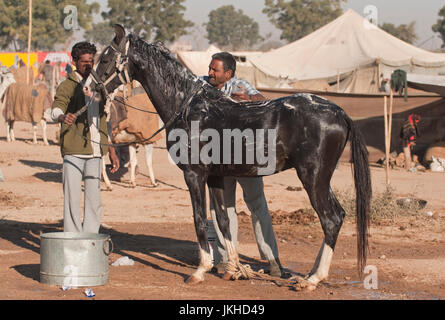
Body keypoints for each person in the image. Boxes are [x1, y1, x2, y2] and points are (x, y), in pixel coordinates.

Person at [201, 52, 283, 277]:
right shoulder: (203, 86)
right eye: (209, 68)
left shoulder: (239, 85)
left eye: (214, 70)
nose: (209, 73)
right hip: (218, 159)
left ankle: (272, 261)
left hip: (245, 158)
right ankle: (225, 260)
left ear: (227, 74)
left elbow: (263, 101)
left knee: (257, 205)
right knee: (221, 208)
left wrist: (247, 101)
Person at [51, 41, 119, 233]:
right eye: (84, 62)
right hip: (73, 151)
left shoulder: (100, 86)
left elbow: (104, 119)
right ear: (74, 62)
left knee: (93, 199)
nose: (88, 65)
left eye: (91, 61)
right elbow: (56, 107)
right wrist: (63, 116)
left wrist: (111, 150)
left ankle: (90, 237)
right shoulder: (67, 85)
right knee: (72, 198)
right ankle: (72, 236)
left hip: (96, 152)